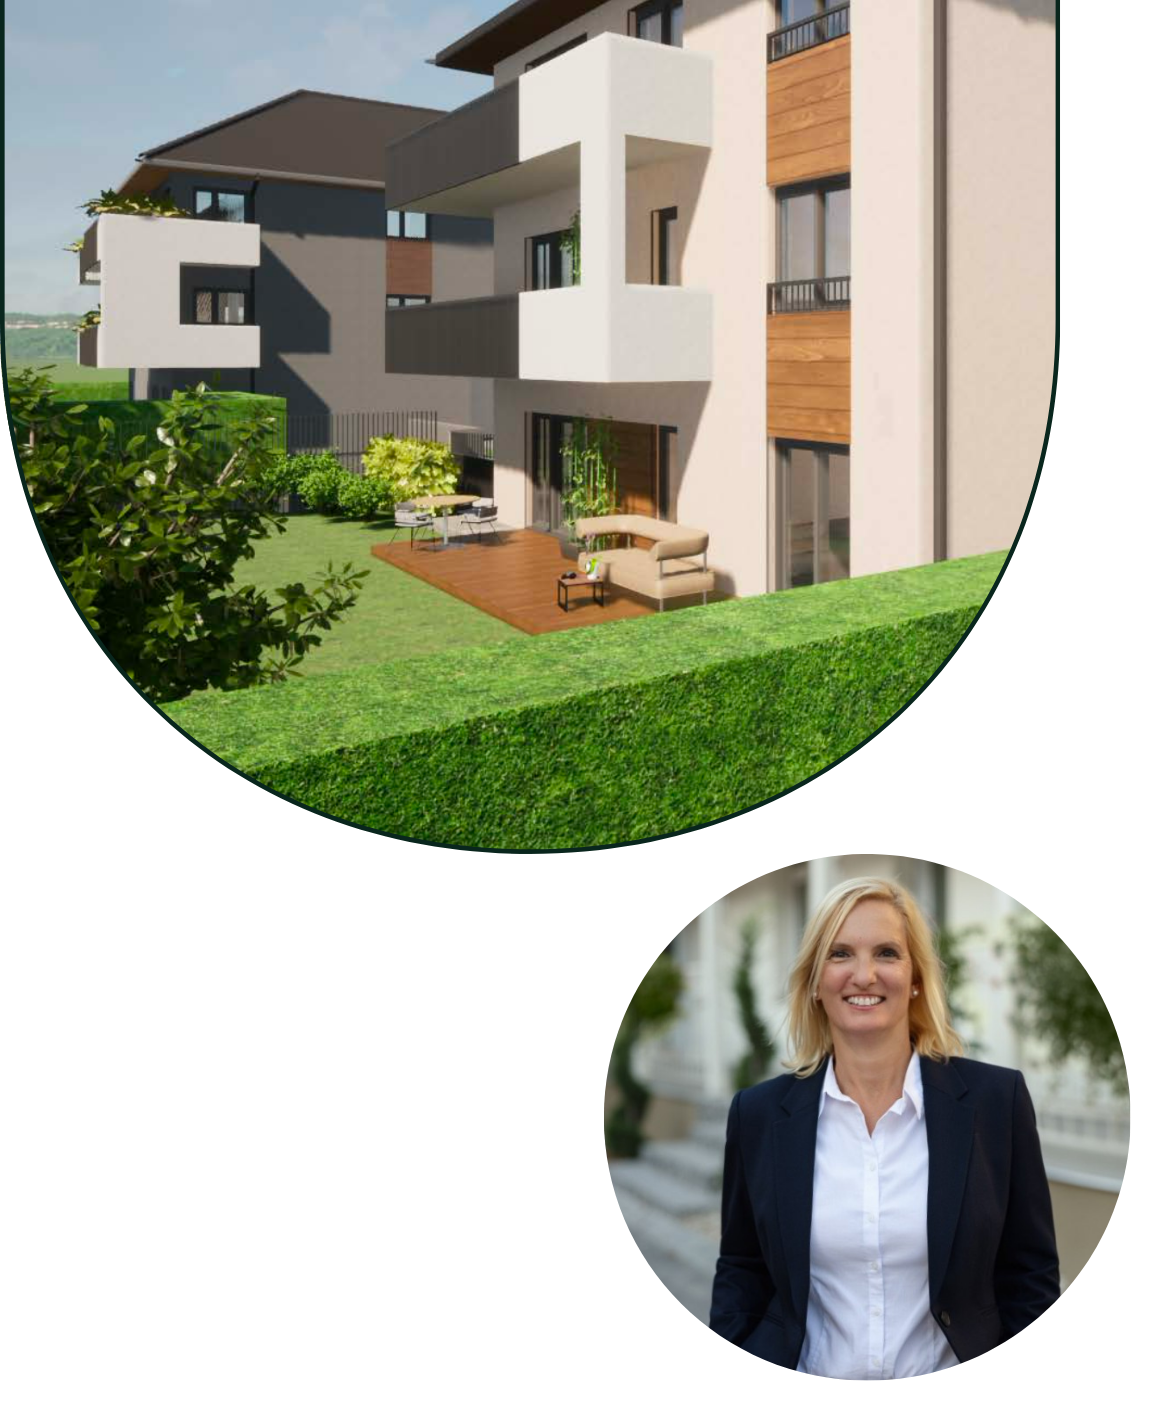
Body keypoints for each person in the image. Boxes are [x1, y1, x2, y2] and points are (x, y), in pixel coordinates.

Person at [709, 877, 1060, 1375]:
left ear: (915, 976)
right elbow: (742, 1270)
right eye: (840, 954)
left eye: (888, 953)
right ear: (814, 981)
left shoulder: (994, 1102)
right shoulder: (759, 1115)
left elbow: (1031, 1273)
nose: (865, 974)